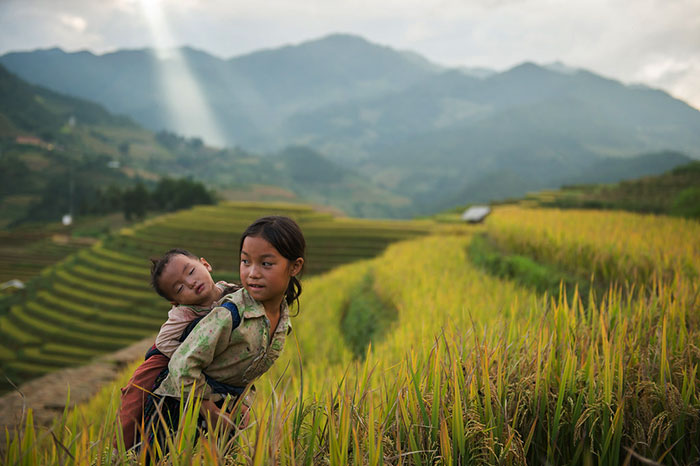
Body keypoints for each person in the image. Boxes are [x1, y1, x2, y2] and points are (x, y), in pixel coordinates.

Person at [152, 215, 305, 432]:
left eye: (266, 263)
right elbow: (181, 366)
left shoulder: (282, 318)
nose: (253, 273)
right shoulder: (228, 314)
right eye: (245, 261)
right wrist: (209, 410)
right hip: (184, 414)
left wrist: (238, 404)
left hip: (226, 414)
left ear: (295, 266)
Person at [116, 248, 239, 450]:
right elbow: (164, 342)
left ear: (205, 264)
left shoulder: (231, 292)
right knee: (137, 390)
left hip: (209, 355)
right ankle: (120, 448)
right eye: (180, 288)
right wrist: (191, 354)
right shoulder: (183, 313)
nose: (190, 283)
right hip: (166, 356)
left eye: (190, 272)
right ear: (176, 301)